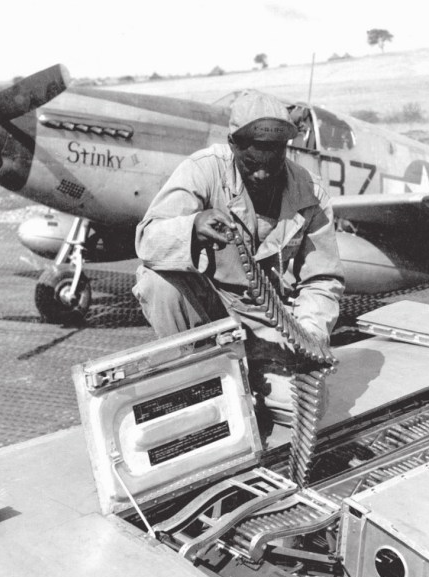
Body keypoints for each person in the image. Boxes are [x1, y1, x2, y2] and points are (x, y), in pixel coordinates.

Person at [133, 89, 345, 427]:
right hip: (209, 311)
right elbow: (148, 240)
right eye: (251, 163)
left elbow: (322, 279)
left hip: (267, 321)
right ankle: (195, 378)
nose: (262, 175)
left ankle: (242, 381)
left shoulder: (310, 192)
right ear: (233, 145)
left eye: (272, 162)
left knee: (307, 410)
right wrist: (193, 226)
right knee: (159, 282)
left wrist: (310, 334)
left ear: (285, 150)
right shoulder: (203, 170)